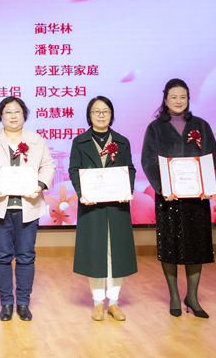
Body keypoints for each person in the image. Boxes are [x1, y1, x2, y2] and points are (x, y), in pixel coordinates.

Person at [141, 78, 216, 319]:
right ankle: (174, 295)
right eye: (173, 97)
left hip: (197, 199)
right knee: (170, 246)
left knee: (197, 245)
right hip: (168, 198)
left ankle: (192, 297)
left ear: (188, 99)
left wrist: (208, 184)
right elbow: (148, 161)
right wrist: (162, 187)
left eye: (183, 97)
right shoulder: (155, 128)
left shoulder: (201, 125)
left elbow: (213, 158)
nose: (178, 101)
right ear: (165, 100)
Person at [0, 96, 55, 322]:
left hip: (29, 207)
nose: (12, 116)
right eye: (7, 112)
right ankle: (6, 303)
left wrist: (40, 185)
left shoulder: (36, 140)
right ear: (0, 116)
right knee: (1, 256)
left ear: (24, 115)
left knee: (26, 256)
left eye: (17, 111)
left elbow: (48, 166)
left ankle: (24, 303)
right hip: (0, 208)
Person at [69, 96, 137, 322]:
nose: (101, 115)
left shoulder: (122, 141)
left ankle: (114, 303)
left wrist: (127, 189)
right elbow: (74, 170)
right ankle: (98, 303)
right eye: (96, 111)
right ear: (89, 115)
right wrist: (83, 193)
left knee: (116, 254)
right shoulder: (79, 142)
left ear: (111, 114)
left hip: (117, 206)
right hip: (92, 207)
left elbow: (130, 169)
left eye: (105, 111)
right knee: (95, 253)